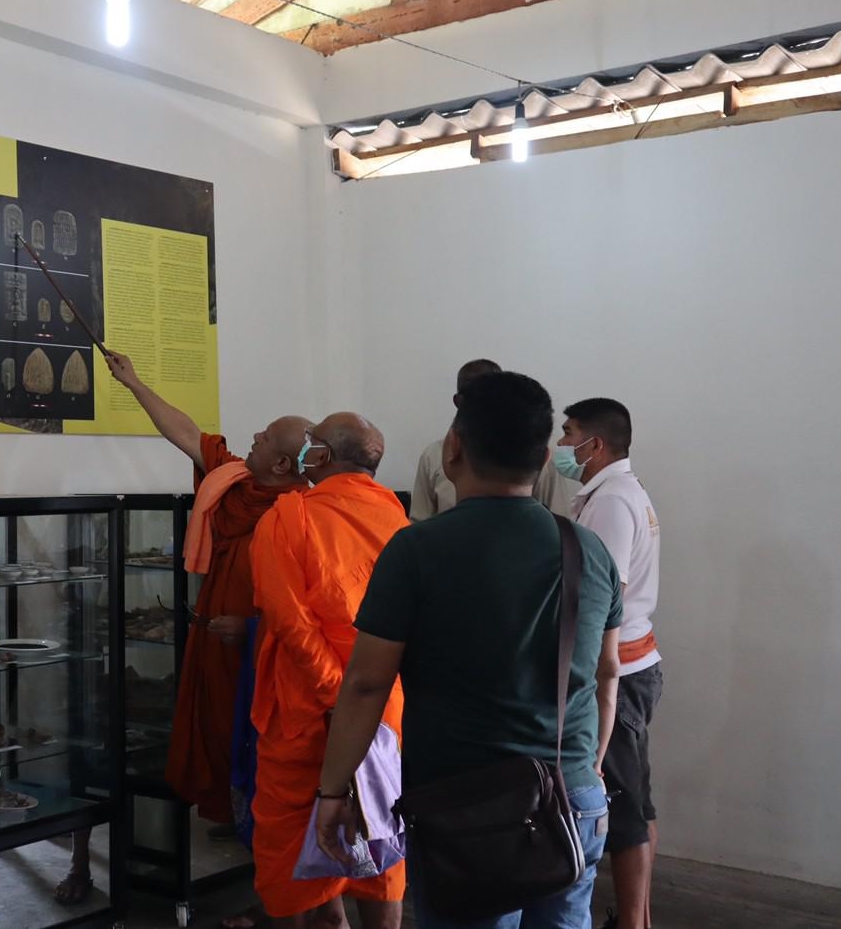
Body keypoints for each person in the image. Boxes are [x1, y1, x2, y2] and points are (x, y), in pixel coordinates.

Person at [316, 372, 623, 929]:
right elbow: (608, 672)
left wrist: (333, 791)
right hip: (572, 794)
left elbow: (365, 684)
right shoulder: (587, 549)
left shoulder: (416, 550)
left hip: (467, 809)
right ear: (544, 458)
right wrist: (592, 766)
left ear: (453, 448)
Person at [102, 349, 309, 921]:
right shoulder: (235, 483)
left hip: (266, 666)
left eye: (263, 438)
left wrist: (252, 627)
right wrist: (133, 381)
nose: (252, 438)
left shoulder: (302, 512)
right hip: (215, 651)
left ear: (283, 464)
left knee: (267, 777)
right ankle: (265, 897)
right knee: (223, 761)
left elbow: (316, 609)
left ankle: (281, 907)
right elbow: (187, 434)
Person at [249, 412, 409, 929]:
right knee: (380, 829)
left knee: (292, 848)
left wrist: (338, 700)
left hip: (309, 713)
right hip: (384, 711)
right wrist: (360, 708)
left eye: (311, 440)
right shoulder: (396, 517)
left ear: (321, 456)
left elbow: (291, 624)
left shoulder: (285, 520)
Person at [557, 399, 662, 929]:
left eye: (567, 433)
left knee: (622, 806)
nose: (560, 445)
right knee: (633, 799)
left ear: (593, 445)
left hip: (618, 670)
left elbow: (603, 596)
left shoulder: (613, 501)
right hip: (629, 665)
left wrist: (586, 674)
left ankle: (632, 921)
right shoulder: (614, 492)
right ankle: (635, 917)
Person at [410, 359, 570, 520]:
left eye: (493, 394)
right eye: (474, 396)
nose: (485, 403)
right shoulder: (433, 455)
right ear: (458, 401)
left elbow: (559, 521)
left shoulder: (533, 454)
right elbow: (418, 520)